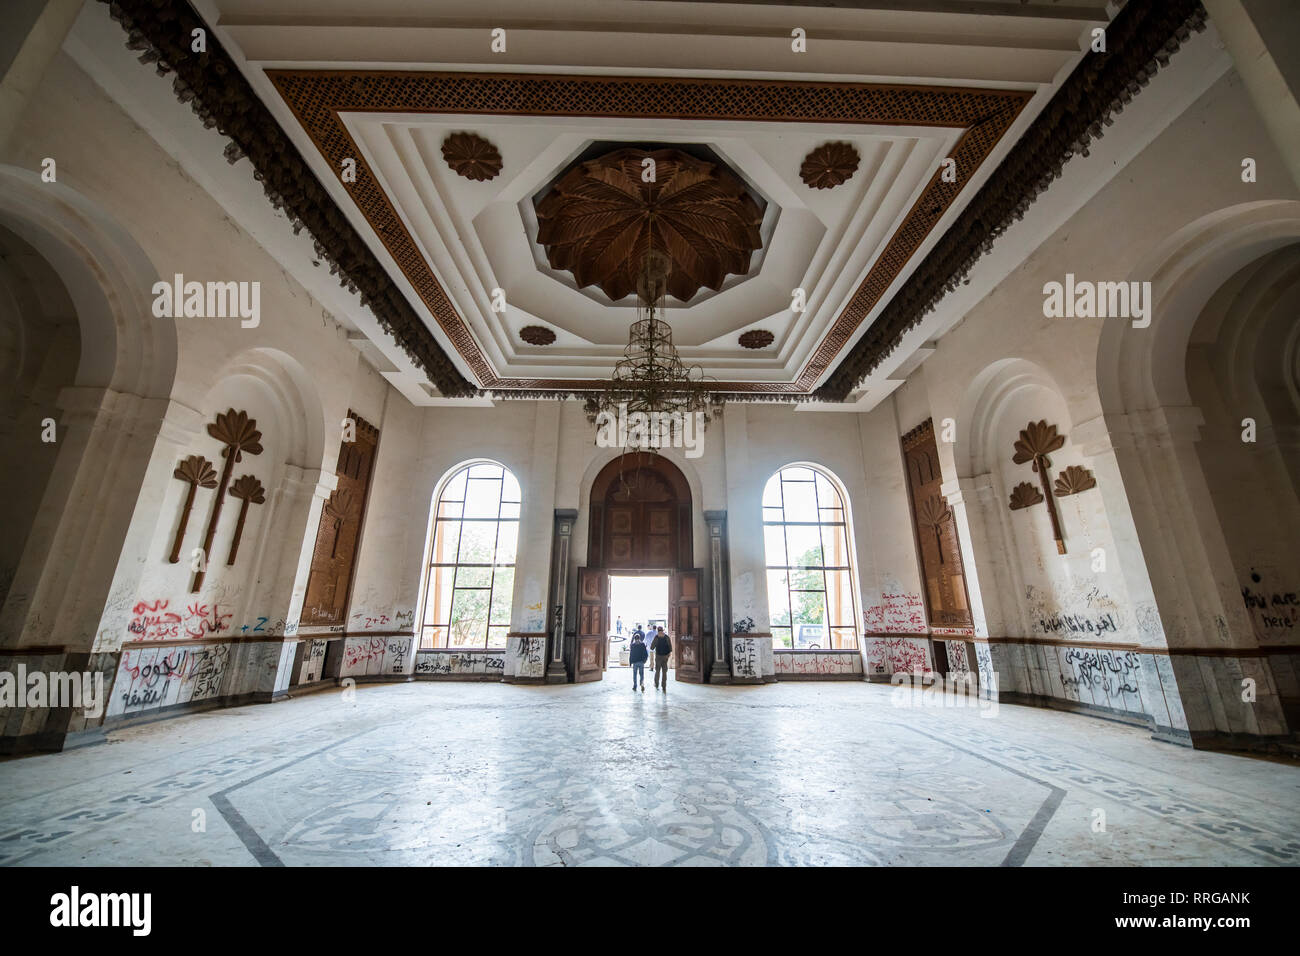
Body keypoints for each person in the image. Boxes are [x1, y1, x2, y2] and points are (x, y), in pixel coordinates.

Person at [650, 625, 672, 691]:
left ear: (657, 630)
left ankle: (656, 684)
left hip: (658, 656)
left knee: (657, 671)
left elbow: (652, 647)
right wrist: (668, 655)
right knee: (664, 672)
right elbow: (670, 648)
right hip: (665, 656)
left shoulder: (656, 637)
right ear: (663, 630)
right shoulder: (667, 637)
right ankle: (664, 686)